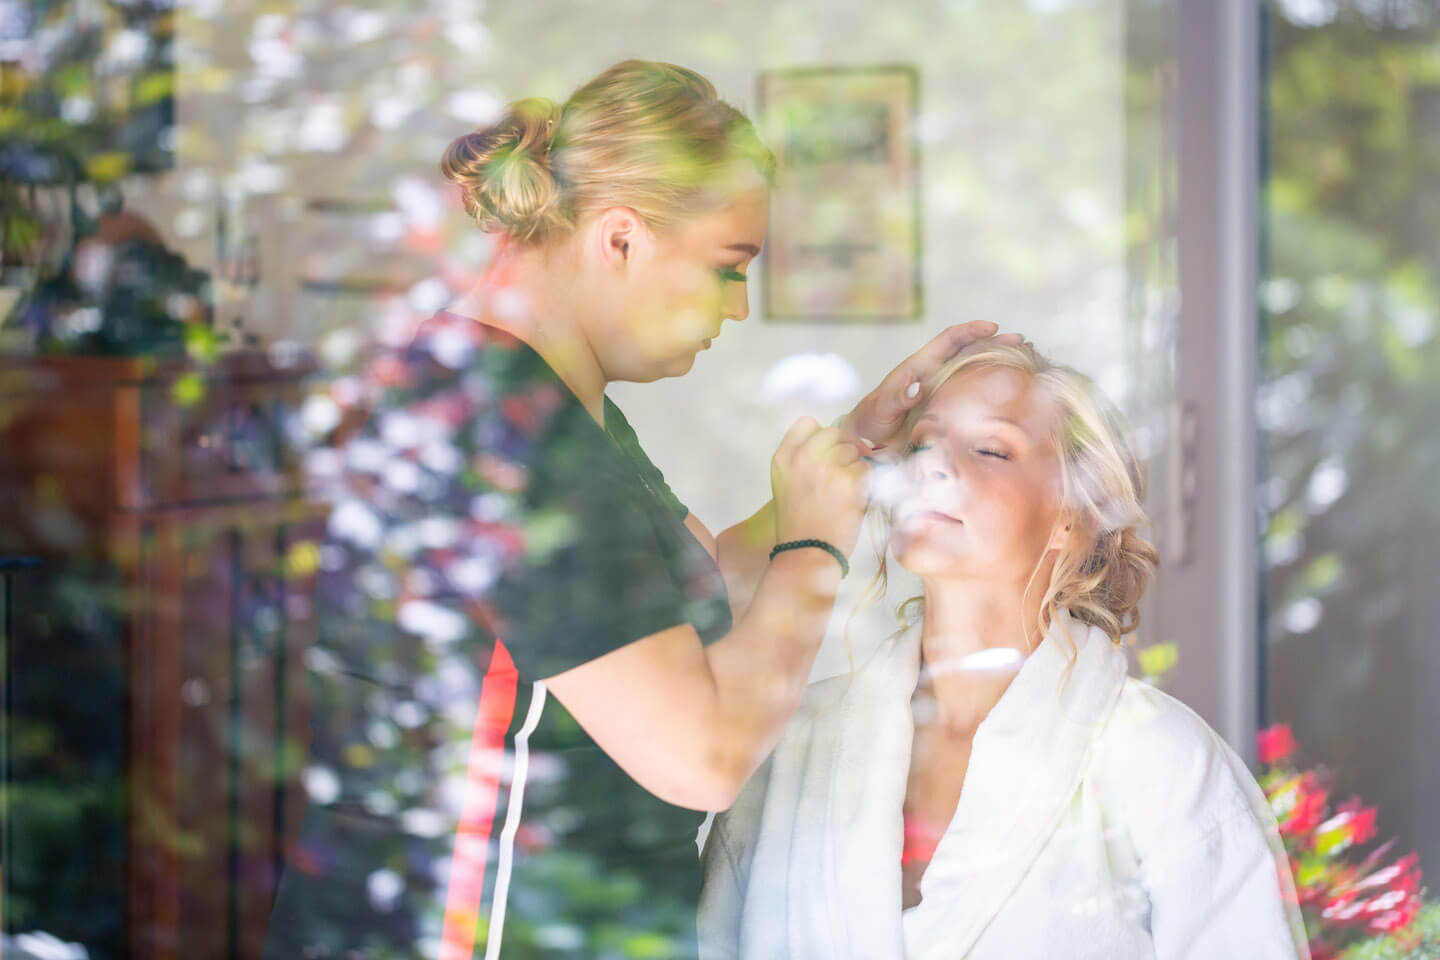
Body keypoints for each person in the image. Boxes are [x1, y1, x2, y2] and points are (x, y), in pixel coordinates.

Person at [263, 60, 1014, 959]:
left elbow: (678, 608)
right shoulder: (513, 441)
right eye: (728, 269)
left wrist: (849, 453)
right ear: (619, 239)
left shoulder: (534, 404)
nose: (737, 310)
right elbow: (700, 754)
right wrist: (816, 544)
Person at [698, 340, 1311, 959]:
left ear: (1073, 516)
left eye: (990, 449)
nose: (932, 463)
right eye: (920, 444)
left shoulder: (1165, 763)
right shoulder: (792, 746)